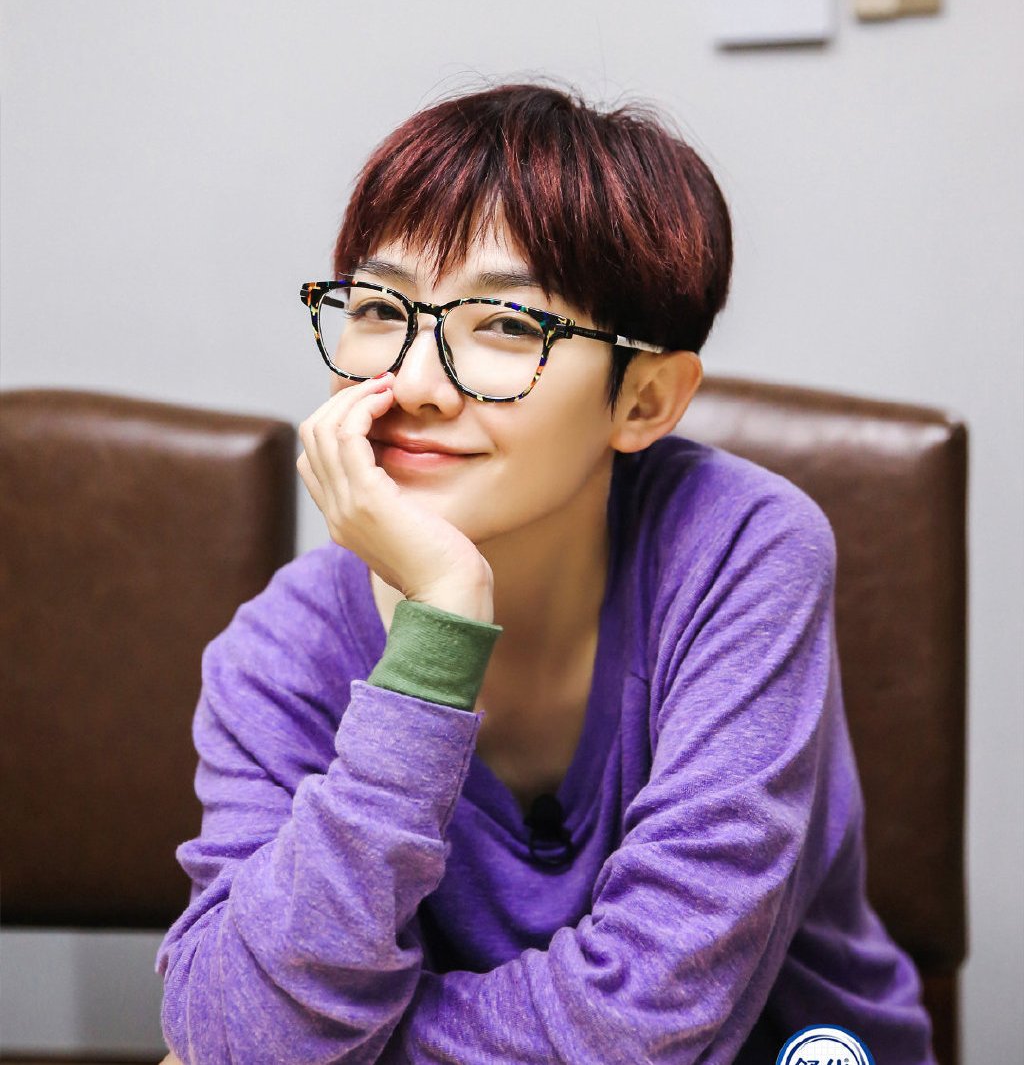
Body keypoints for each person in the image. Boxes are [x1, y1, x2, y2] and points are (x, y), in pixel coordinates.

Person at [156, 82, 937, 1064]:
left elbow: (649, 1023)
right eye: (380, 308)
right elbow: (234, 1032)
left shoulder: (741, 550)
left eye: (505, 325)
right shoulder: (278, 653)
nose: (414, 384)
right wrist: (436, 638)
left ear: (644, 401)